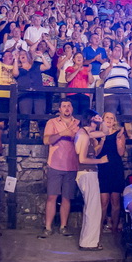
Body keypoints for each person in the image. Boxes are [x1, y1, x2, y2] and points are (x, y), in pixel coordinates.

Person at [41, 99, 79, 238]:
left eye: (69, 106)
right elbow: (46, 140)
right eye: (64, 106)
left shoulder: (78, 124)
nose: (67, 108)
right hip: (55, 164)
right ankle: (48, 227)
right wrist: (63, 133)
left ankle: (63, 227)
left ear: (72, 108)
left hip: (72, 165)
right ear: (60, 109)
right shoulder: (52, 123)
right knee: (52, 197)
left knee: (67, 198)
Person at [75, 110, 108, 250]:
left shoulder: (87, 134)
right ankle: (88, 243)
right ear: (90, 120)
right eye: (95, 121)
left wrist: (102, 121)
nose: (97, 124)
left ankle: (89, 241)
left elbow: (105, 132)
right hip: (86, 173)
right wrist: (100, 160)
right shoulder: (83, 135)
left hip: (89, 173)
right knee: (93, 209)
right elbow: (82, 159)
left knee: (93, 208)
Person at [98, 110, 128, 233]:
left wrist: (118, 139)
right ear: (103, 119)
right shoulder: (98, 134)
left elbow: (121, 152)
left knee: (115, 199)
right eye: (107, 117)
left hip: (115, 167)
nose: (109, 120)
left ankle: (114, 228)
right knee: (103, 200)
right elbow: (96, 153)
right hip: (103, 167)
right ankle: (98, 227)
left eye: (111, 118)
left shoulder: (118, 134)